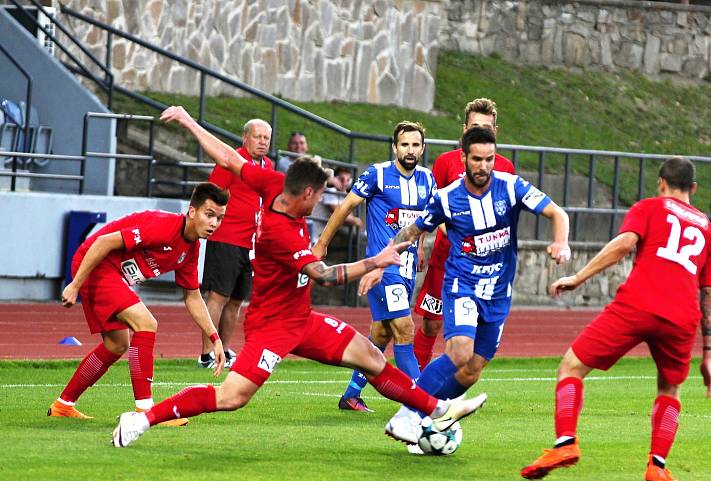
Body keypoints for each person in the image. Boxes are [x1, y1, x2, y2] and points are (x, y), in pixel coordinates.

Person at [110, 106, 488, 448]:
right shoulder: (283, 232)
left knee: (372, 356)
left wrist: (190, 122)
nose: (320, 202)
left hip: (301, 320)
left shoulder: (273, 182)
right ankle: (142, 420)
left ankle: (435, 409)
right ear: (306, 193)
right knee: (231, 398)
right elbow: (322, 274)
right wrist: (377, 261)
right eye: (320, 195)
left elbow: (227, 156)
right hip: (273, 327)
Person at [520, 157, 711, 481]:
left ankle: (565, 443)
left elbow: (625, 245)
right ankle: (657, 465)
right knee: (670, 388)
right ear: (694, 189)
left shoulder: (650, 207)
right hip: (682, 317)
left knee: (571, 366)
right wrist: (709, 355)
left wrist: (579, 277)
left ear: (661, 183)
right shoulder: (708, 232)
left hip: (639, 303)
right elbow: (709, 294)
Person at [384, 126, 570, 444]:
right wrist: (382, 260)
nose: (483, 166)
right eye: (477, 159)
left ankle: (435, 420)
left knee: (472, 369)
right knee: (459, 352)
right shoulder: (447, 198)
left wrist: (561, 243)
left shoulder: (511, 188)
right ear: (464, 158)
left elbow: (557, 212)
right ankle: (407, 415)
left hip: (498, 294)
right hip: (462, 284)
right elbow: (412, 231)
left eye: (489, 159)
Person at [48, 183, 229, 425]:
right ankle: (146, 412)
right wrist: (75, 285)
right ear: (192, 212)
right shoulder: (164, 226)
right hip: (95, 265)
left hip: (112, 274)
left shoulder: (191, 248)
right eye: (209, 215)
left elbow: (193, 296)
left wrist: (214, 338)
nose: (214, 223)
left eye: (219, 218)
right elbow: (102, 242)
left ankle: (63, 405)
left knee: (116, 344)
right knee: (146, 323)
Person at [312, 122, 435, 414]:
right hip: (380, 270)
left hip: (405, 270)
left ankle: (351, 395)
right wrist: (322, 245)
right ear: (395, 147)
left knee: (381, 334)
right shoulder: (377, 174)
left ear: (422, 148)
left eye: (415, 145)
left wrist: (419, 249)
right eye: (404, 145)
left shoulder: (427, 180)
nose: (410, 150)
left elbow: (424, 219)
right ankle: (420, 407)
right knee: (405, 330)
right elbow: (344, 208)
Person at [413, 98, 516, 368]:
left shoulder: (505, 167)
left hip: (483, 267)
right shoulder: (446, 162)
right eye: (474, 126)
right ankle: (416, 383)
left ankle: (445, 390)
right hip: (445, 258)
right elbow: (431, 209)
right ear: (464, 129)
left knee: (468, 334)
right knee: (431, 324)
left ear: (496, 130)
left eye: (486, 126)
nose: (479, 130)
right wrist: (421, 245)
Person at [198, 118, 274, 369]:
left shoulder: (267, 165)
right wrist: (211, 222)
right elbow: (212, 191)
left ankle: (226, 349)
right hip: (227, 238)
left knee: (237, 300)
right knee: (218, 296)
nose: (262, 142)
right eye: (258, 137)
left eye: (266, 138)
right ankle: (207, 353)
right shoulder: (231, 160)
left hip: (252, 242)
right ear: (245, 138)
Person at [307, 166, 362, 245]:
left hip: (316, 235)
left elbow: (348, 213)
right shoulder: (330, 190)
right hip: (310, 232)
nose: (345, 183)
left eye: (348, 180)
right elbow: (339, 212)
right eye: (341, 179)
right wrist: (355, 221)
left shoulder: (342, 194)